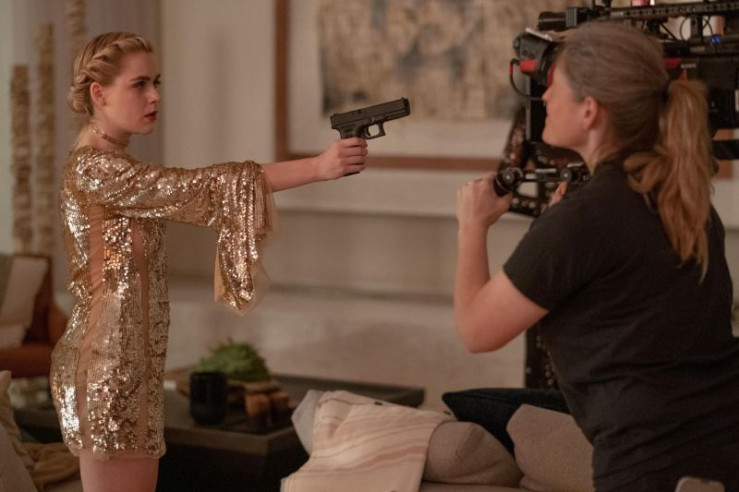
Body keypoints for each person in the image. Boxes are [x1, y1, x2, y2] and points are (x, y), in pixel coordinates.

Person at [50, 32, 368, 492]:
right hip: (107, 371)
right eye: (139, 84)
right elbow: (200, 187)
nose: (155, 96)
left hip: (128, 366)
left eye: (156, 82)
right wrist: (316, 168)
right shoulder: (94, 169)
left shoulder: (112, 163)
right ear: (99, 94)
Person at [454, 21, 739, 492]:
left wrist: (472, 225)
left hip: (650, 470)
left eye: (555, 84)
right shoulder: (684, 199)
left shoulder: (584, 219)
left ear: (590, 110)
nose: (545, 95)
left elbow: (475, 330)